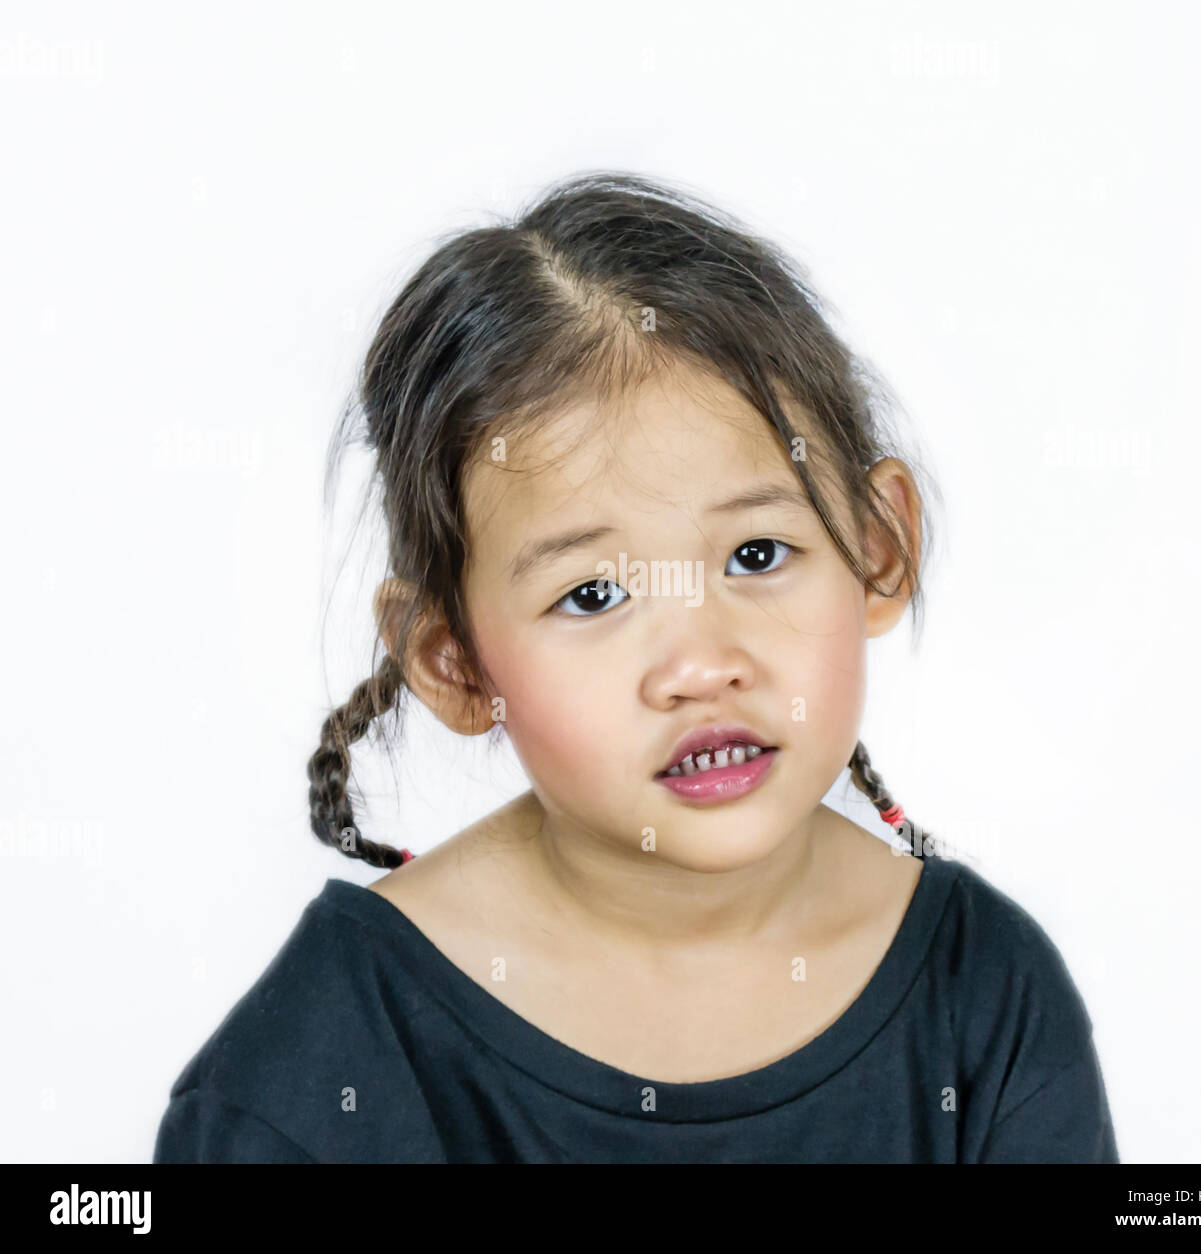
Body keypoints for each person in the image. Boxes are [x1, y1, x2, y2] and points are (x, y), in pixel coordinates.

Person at [153, 171, 1119, 1163]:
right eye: (592, 597)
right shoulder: (321, 1069)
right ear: (455, 660)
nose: (701, 666)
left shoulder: (985, 996)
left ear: (876, 550)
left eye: (755, 556)